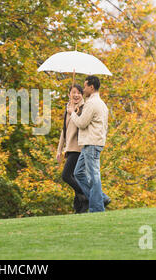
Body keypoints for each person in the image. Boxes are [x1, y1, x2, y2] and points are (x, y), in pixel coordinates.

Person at [69, 75, 111, 213]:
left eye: (85, 86)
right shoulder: (100, 104)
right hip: (90, 142)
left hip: (91, 143)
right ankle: (101, 198)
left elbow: (81, 123)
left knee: (93, 176)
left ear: (91, 87)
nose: (84, 89)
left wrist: (72, 113)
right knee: (78, 172)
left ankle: (97, 208)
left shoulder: (92, 103)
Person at [56, 84, 89, 214]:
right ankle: (79, 208)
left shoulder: (83, 108)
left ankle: (85, 195)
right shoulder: (67, 109)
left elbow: (82, 125)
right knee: (75, 177)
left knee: (66, 176)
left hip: (78, 148)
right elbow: (64, 131)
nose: (76, 95)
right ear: (69, 94)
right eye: (73, 92)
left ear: (82, 94)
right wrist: (59, 150)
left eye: (79, 93)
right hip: (69, 148)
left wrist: (73, 113)